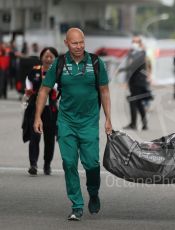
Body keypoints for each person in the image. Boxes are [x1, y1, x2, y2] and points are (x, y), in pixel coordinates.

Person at [33, 28, 112, 221]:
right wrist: (38, 117)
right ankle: (76, 205)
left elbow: (104, 91)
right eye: (75, 43)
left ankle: (93, 192)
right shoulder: (59, 63)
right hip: (66, 122)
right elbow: (43, 90)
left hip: (89, 123)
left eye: (81, 42)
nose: (79, 46)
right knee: (69, 163)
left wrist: (108, 118)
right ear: (66, 43)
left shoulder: (95, 62)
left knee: (92, 164)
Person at [24, 47, 59, 176]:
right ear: (41, 57)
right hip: (35, 108)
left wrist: (53, 85)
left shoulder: (58, 72)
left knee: (49, 139)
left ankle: (47, 164)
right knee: (34, 137)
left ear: (55, 59)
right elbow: (28, 80)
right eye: (46, 56)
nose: (48, 59)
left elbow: (60, 87)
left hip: (51, 109)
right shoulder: (35, 70)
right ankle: (33, 164)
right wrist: (28, 89)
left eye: (51, 57)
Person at [122, 35, 150, 130]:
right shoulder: (132, 53)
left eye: (136, 41)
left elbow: (133, 66)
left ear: (140, 43)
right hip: (133, 81)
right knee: (138, 103)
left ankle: (134, 124)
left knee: (133, 101)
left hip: (139, 81)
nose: (134, 43)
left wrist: (122, 69)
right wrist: (126, 80)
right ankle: (144, 124)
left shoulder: (142, 53)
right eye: (133, 41)